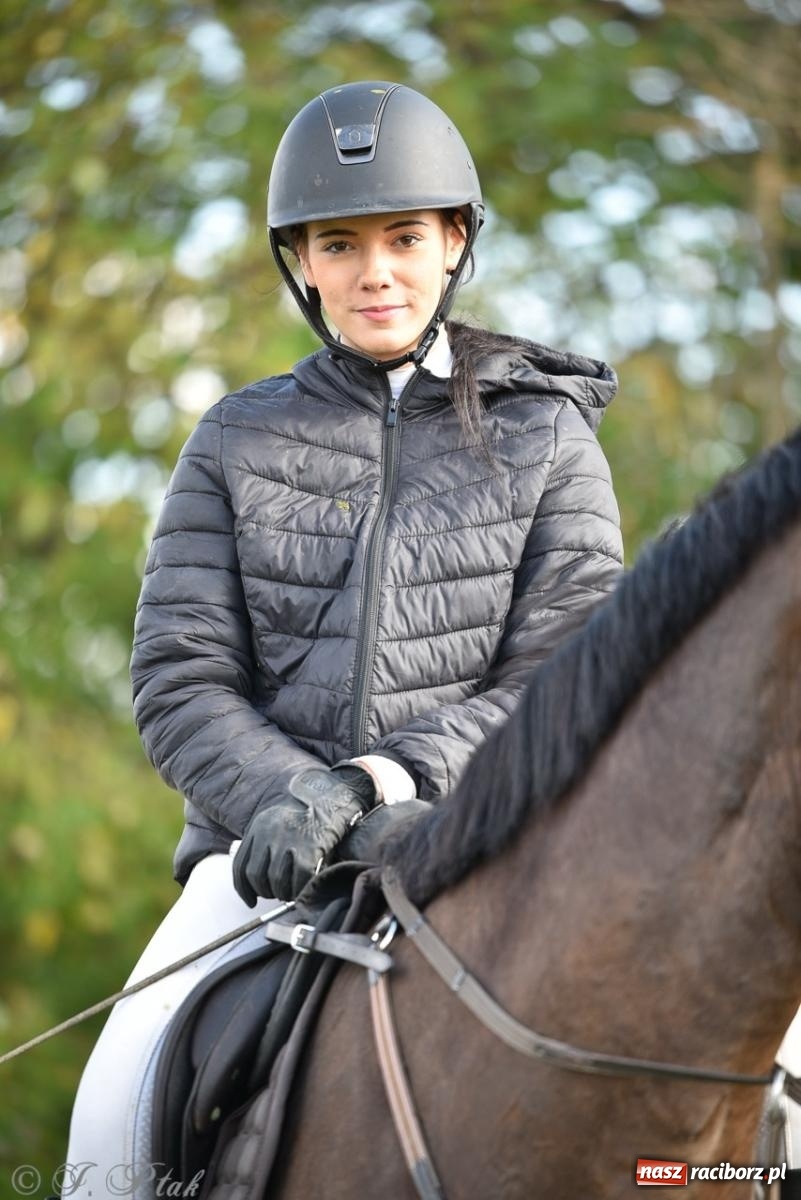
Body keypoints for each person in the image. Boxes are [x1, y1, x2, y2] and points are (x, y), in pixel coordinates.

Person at [64, 80, 623, 1191]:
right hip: (260, 872)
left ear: (455, 242)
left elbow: (565, 674)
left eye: (406, 237)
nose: (377, 271)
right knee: (109, 1129)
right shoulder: (232, 439)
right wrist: (292, 802)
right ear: (302, 263)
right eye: (341, 242)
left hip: (496, 858)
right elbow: (182, 677)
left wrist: (375, 784)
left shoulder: (548, 439)